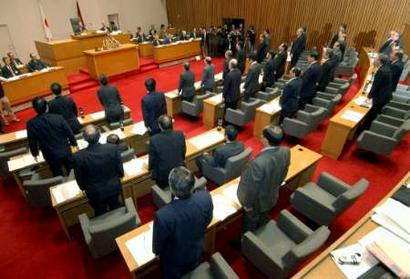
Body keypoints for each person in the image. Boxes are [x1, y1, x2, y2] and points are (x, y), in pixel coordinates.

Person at [153, 166, 213, 279]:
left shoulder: (162, 216)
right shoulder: (205, 197)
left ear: (171, 188)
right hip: (196, 250)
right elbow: (208, 220)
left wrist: (157, 253)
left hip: (173, 261)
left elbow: (158, 245)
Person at [237, 125, 290, 233]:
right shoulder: (286, 151)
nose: (260, 136)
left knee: (250, 223)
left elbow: (252, 188)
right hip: (271, 196)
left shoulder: (258, 163)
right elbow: (284, 172)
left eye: (262, 134)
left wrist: (247, 204)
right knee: (263, 217)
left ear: (265, 140)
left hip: (256, 203)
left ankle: (247, 241)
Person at [73, 125, 123, 216]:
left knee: (100, 212)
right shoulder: (112, 148)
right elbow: (120, 170)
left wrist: (83, 188)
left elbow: (79, 178)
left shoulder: (78, 157)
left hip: (94, 192)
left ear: (84, 138)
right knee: (115, 207)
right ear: (99, 135)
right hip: (114, 187)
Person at [27, 97, 78, 177]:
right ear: (47, 107)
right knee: (73, 173)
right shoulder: (58, 117)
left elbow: (32, 141)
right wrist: (74, 144)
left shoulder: (31, 124)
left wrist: (35, 154)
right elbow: (69, 133)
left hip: (50, 155)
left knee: (57, 174)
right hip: (65, 151)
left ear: (34, 109)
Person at [149, 115, 186, 188]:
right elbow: (183, 153)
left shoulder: (154, 139)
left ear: (160, 126)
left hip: (163, 177)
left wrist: (149, 168)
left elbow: (152, 160)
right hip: (179, 171)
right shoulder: (180, 134)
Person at [364, 53, 393, 129]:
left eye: (376, 59)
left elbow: (376, 86)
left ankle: (366, 129)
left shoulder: (381, 71)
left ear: (379, 61)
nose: (374, 60)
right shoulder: (385, 68)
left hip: (380, 97)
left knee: (372, 114)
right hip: (385, 95)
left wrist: (369, 97)